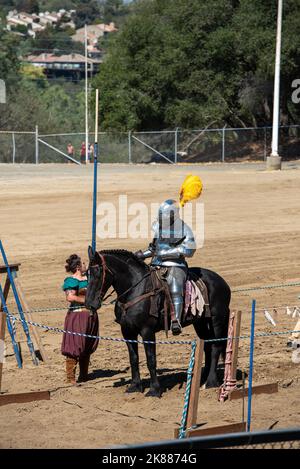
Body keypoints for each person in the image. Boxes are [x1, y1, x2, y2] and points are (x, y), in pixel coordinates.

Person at [135, 199, 196, 335]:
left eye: (164, 216)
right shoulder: (159, 228)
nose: (162, 219)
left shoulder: (184, 228)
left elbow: (189, 250)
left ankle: (177, 321)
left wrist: (167, 254)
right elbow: (154, 248)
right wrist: (140, 255)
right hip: (156, 264)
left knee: (175, 287)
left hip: (175, 265)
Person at [61, 254, 99, 384]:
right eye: (83, 263)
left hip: (90, 316)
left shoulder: (89, 279)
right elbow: (70, 298)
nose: (86, 265)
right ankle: (70, 378)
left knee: (87, 345)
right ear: (78, 267)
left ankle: (84, 376)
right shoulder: (71, 281)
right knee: (74, 345)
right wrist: (86, 301)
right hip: (77, 316)